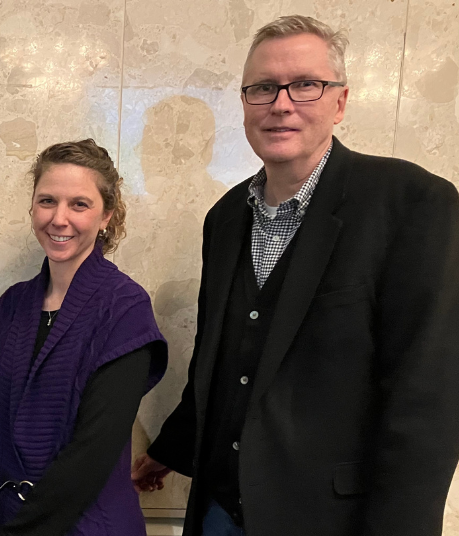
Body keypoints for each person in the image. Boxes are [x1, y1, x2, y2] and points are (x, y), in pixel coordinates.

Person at [131, 15, 459, 536]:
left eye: (305, 85)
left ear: (340, 101)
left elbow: (428, 401)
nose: (281, 103)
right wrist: (171, 449)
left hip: (330, 519)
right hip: (218, 513)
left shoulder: (412, 203)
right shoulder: (224, 218)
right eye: (263, 88)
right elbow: (222, 363)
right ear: (244, 104)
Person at [0, 139, 168, 536]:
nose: (59, 218)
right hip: (2, 523)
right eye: (47, 201)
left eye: (79, 204)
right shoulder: (11, 306)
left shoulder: (125, 309)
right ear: (32, 208)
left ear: (107, 214)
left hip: (89, 526)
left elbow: (93, 453)